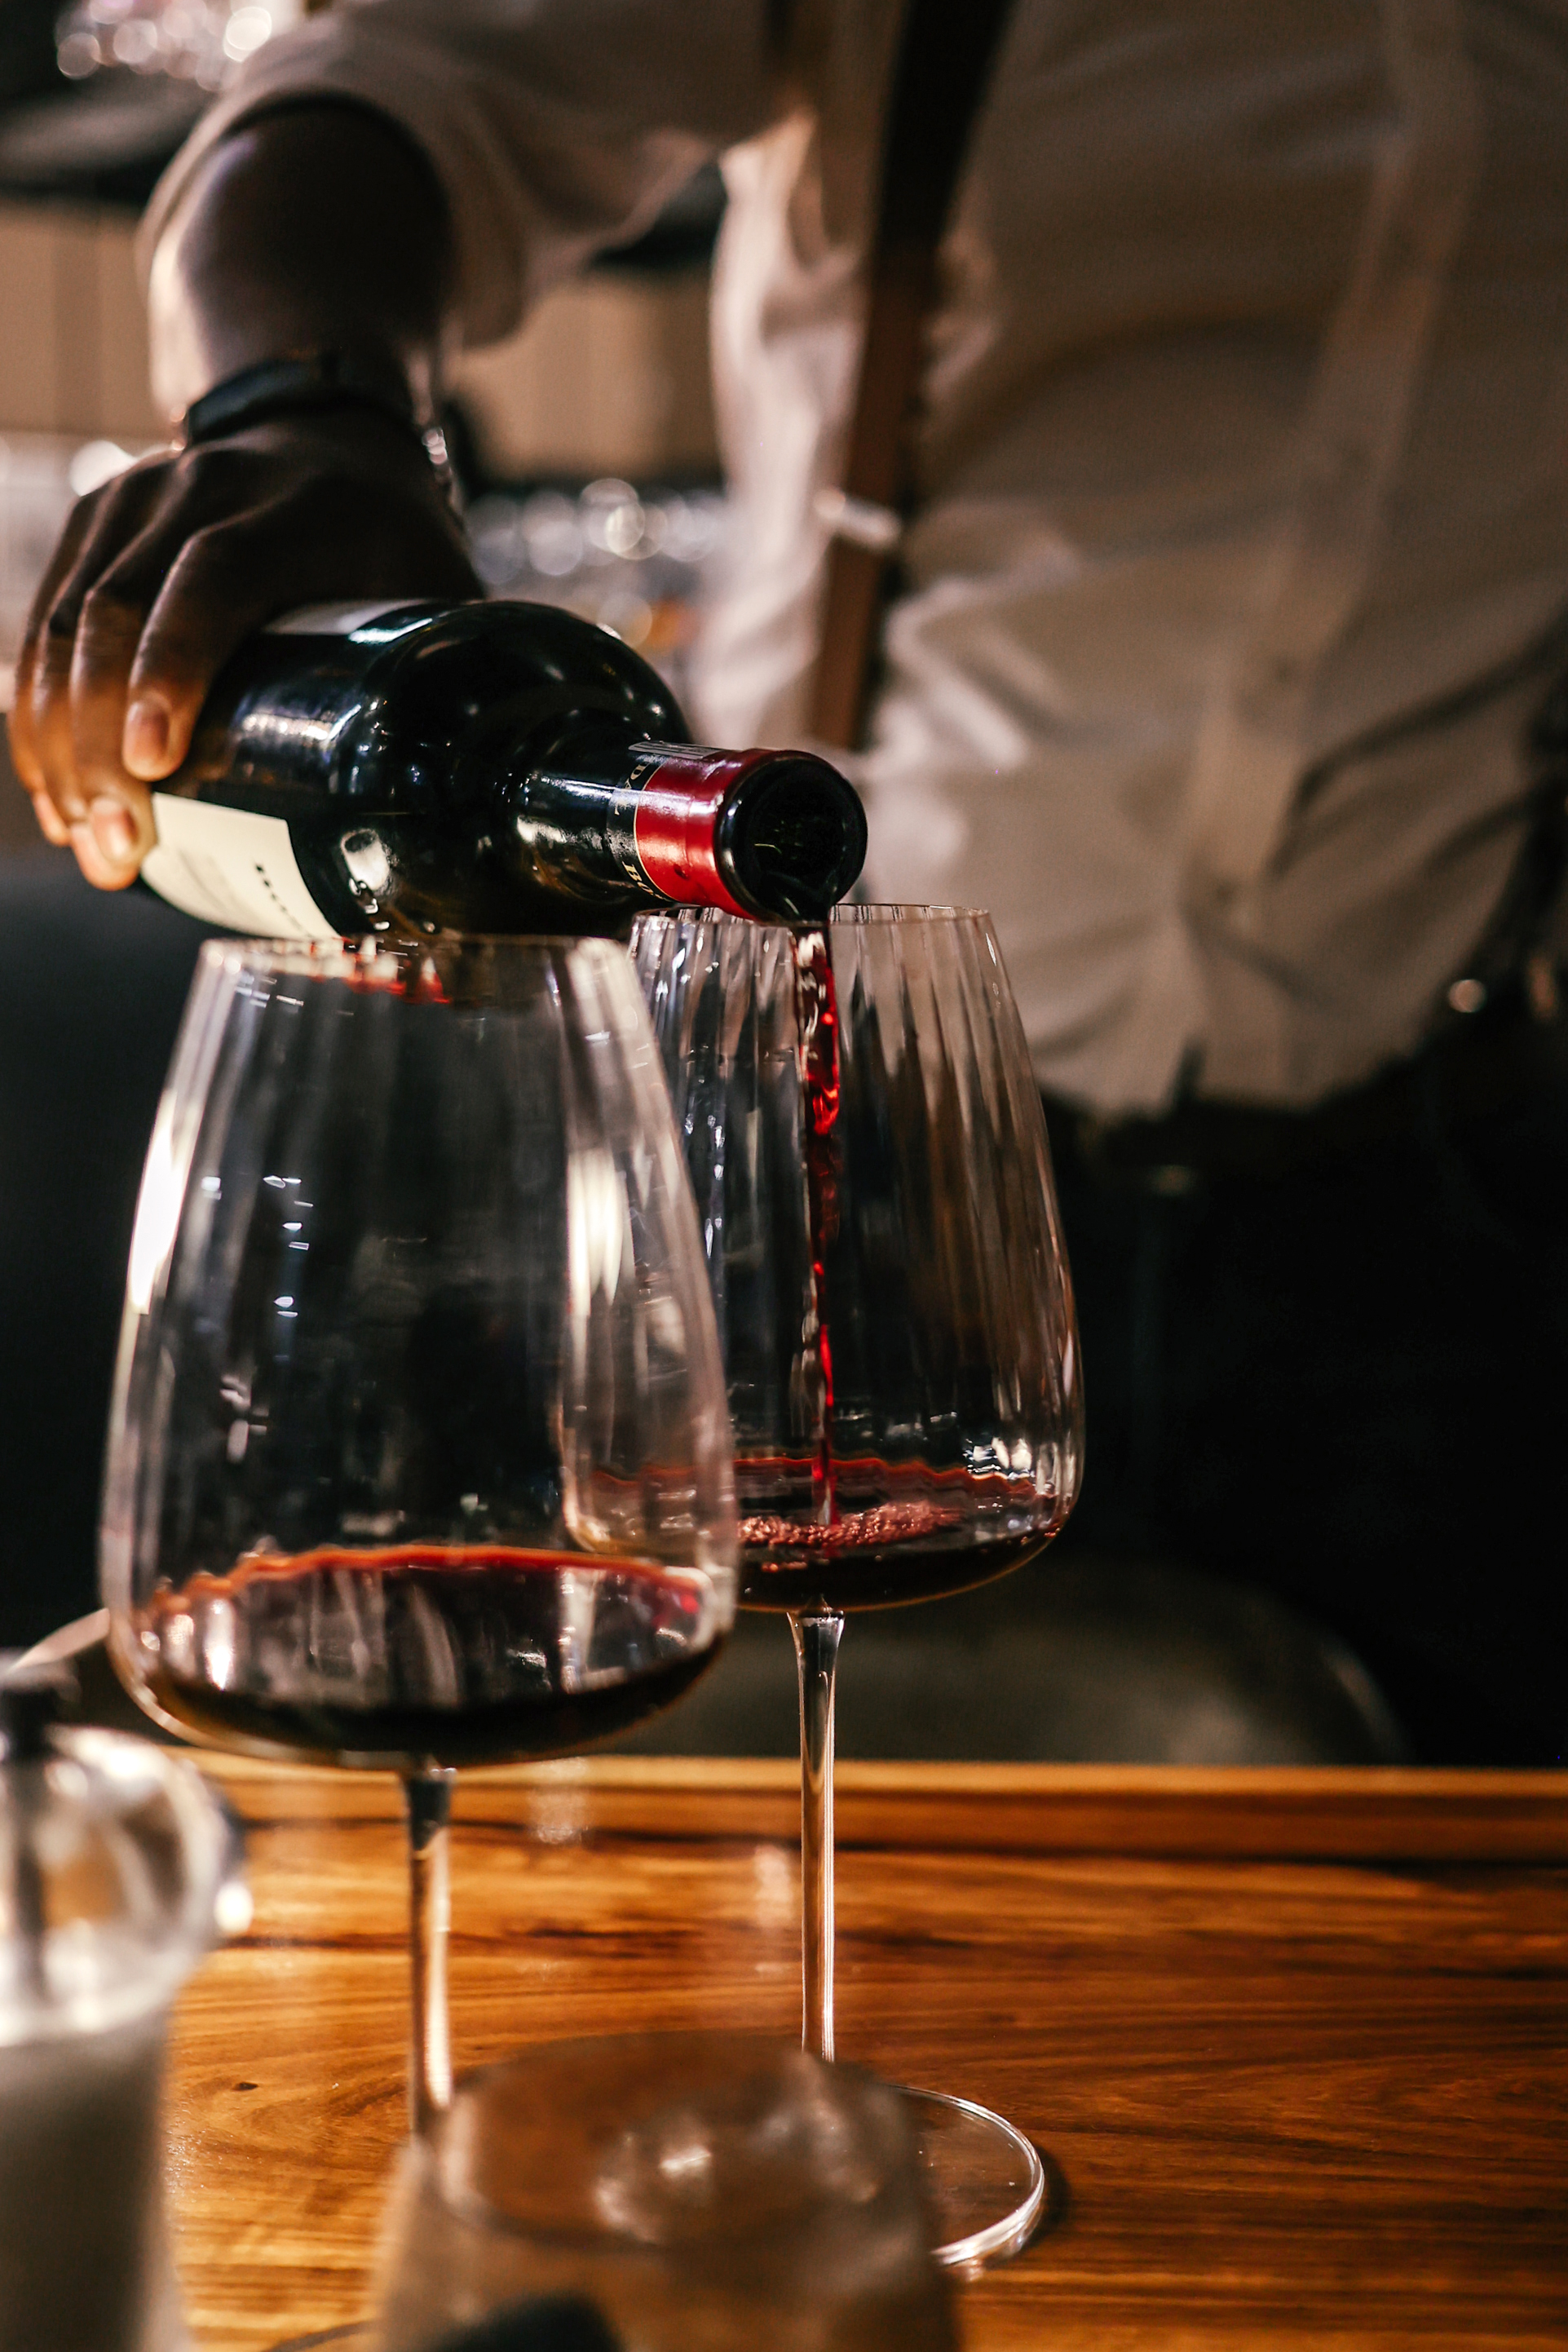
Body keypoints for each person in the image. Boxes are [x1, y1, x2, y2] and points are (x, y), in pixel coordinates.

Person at [8, 1, 1568, 1758]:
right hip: (824, 1183)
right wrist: (301, 411)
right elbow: (385, 93)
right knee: (710, 1855)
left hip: (1442, 1206)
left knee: (1435, 1871)